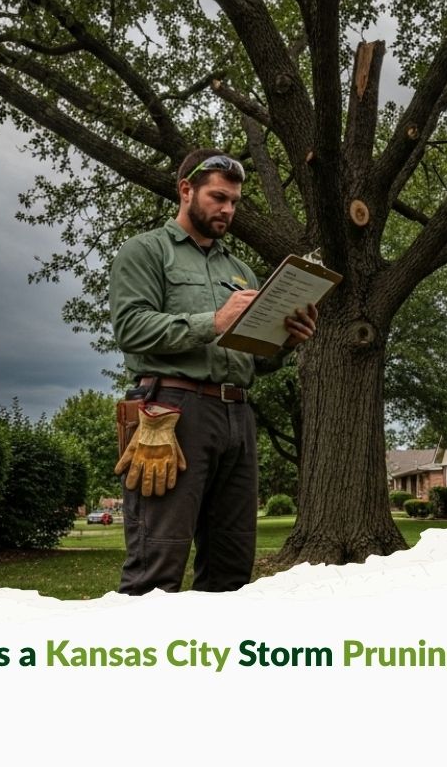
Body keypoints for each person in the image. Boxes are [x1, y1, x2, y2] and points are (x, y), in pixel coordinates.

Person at [109, 148, 316, 594]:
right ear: (186, 190)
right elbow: (130, 329)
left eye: (234, 202)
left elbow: (254, 360)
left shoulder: (239, 270)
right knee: (156, 565)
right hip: (169, 413)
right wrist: (214, 321)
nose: (228, 210)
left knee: (232, 567)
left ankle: (212, 659)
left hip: (237, 417)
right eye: (218, 198)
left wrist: (285, 342)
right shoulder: (145, 251)